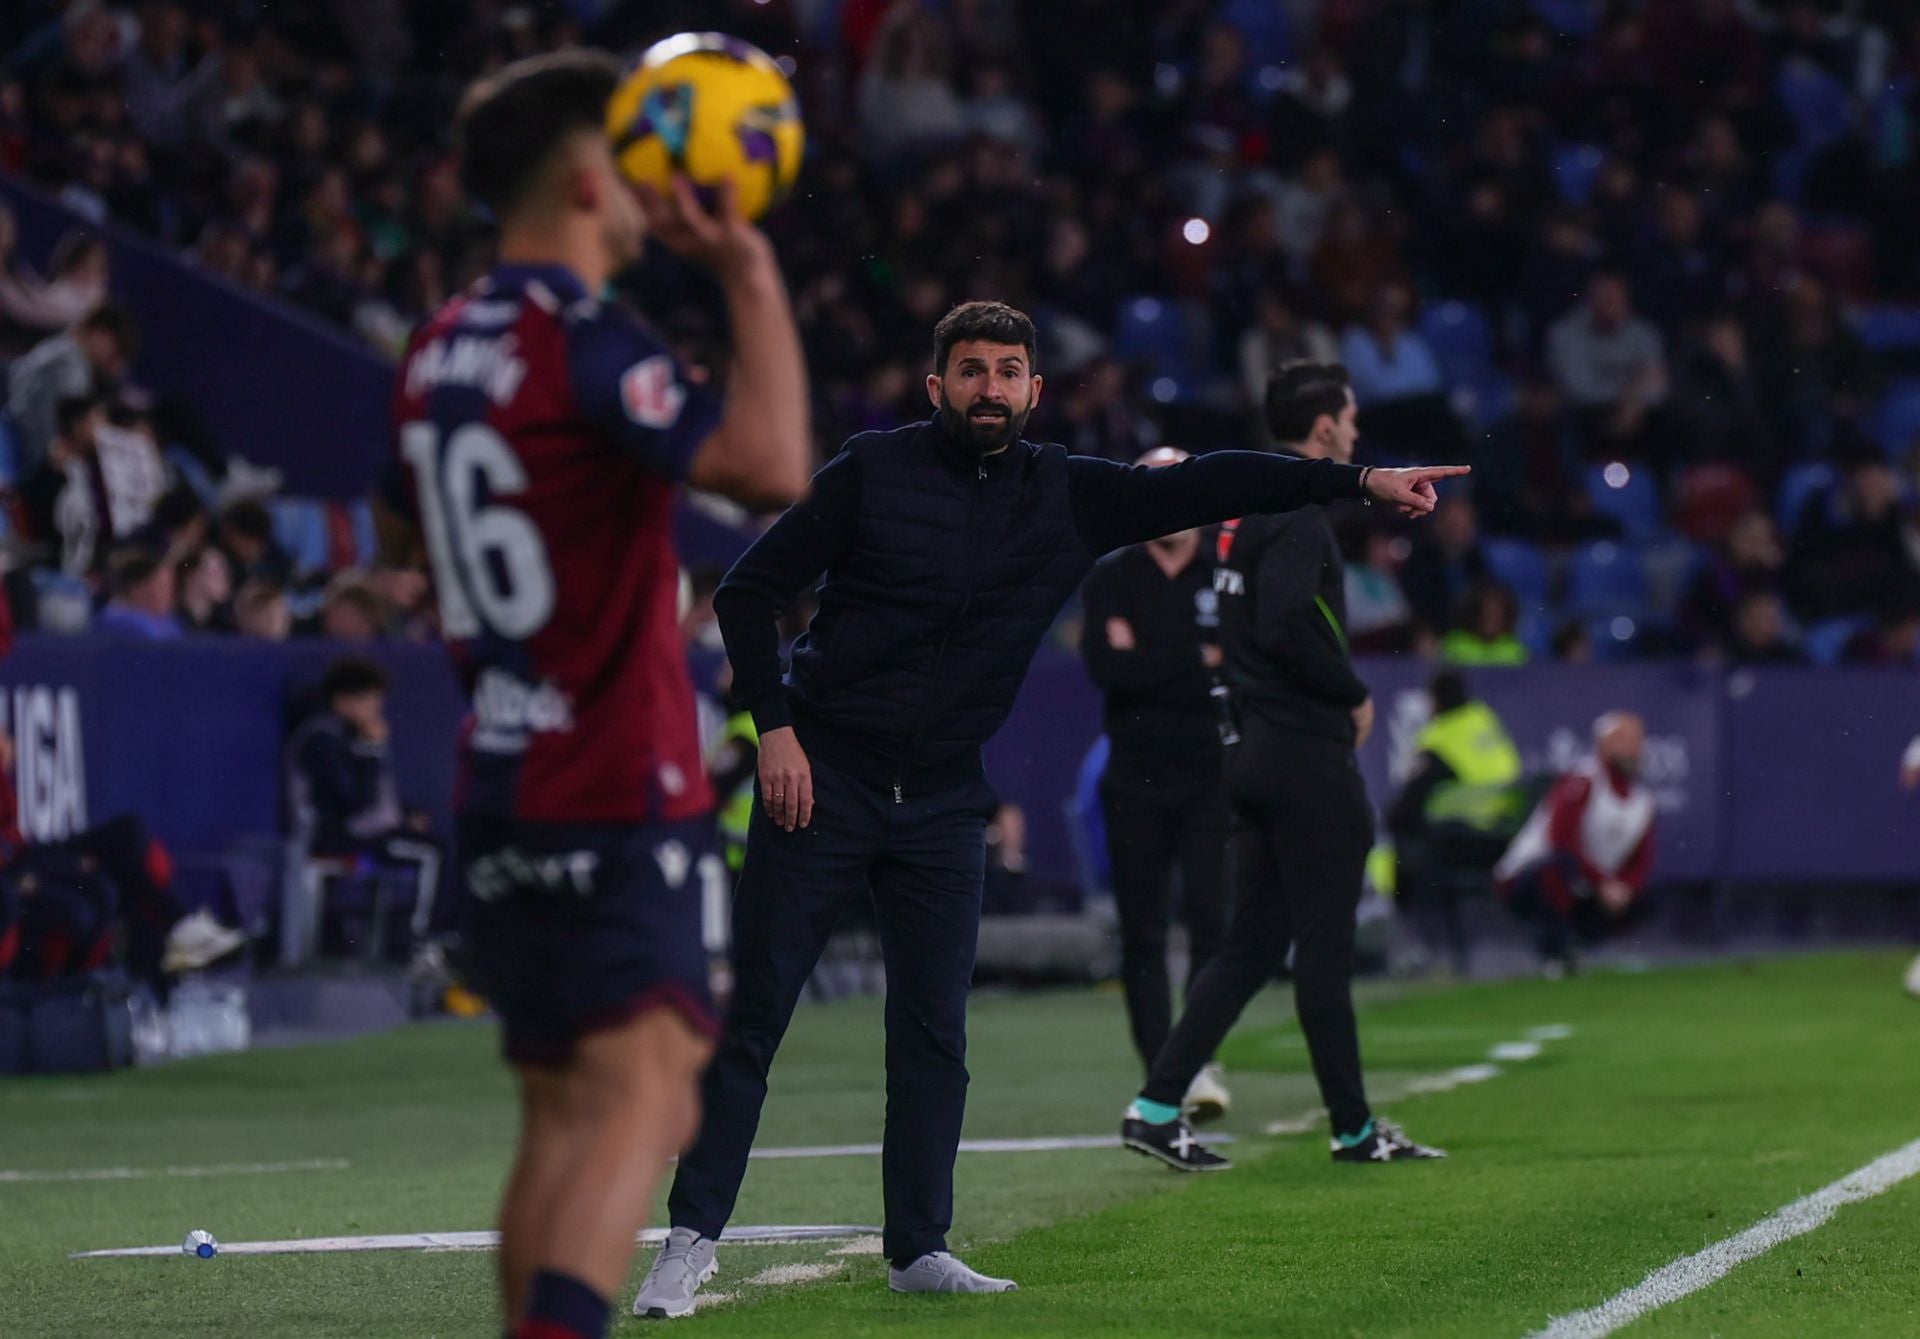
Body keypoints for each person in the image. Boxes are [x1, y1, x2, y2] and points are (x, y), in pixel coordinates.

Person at [639, 315, 1464, 1311]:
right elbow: (748, 589)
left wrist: (1359, 481)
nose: (992, 387)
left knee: (936, 1030)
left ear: (1035, 392)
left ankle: (918, 1247)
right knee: (758, 1016)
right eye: (973, 370)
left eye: (1010, 372)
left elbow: (1212, 481)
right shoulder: (872, 472)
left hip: (944, 796)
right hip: (826, 780)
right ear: (935, 384)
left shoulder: (1070, 492)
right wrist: (773, 729)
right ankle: (689, 1238)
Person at [382, 51, 809, 1339]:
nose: (644, 187)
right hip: (611, 777)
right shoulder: (583, 338)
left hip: (502, 772)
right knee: (648, 1093)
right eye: (626, 159)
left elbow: (406, 543)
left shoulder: (440, 343)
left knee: (562, 1107)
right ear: (582, 175)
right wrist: (745, 269)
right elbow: (773, 464)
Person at [1120, 361, 1447, 1174]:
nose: (1358, 428)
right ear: (1327, 426)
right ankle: (1354, 1128)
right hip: (1304, 750)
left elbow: (1249, 626)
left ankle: (1156, 1106)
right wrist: (1352, 691)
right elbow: (1290, 619)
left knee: (1249, 949)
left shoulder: (1244, 515)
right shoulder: (1300, 510)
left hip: (1253, 750)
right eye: (1351, 416)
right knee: (1323, 953)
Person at [1078, 445, 1231, 1116]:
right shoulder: (1113, 573)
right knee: (1141, 930)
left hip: (1208, 772)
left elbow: (1237, 664)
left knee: (1212, 923)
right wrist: (1195, 658)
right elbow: (1108, 670)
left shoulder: (1222, 573)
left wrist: (1150, 655)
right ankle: (1161, 1072)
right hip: (1135, 775)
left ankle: (1196, 1059)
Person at [284, 657, 446, 948]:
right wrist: (372, 750)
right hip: (336, 837)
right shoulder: (320, 738)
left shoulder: (347, 735)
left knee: (431, 843)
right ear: (344, 701)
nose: (377, 711)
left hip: (364, 833)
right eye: (370, 702)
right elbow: (353, 801)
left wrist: (405, 815)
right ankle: (422, 942)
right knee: (431, 854)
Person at [1494, 711, 1657, 975]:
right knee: (1555, 870)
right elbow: (1561, 842)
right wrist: (1602, 882)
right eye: (1627, 740)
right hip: (1526, 879)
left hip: (1589, 885)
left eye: (1639, 740)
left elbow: (1642, 861)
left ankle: (1579, 946)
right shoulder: (1582, 781)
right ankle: (1553, 952)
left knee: (1648, 895)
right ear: (1605, 745)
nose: (1636, 748)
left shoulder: (1643, 801)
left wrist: (1623, 887)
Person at [1385, 669, 1525, 975]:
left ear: (1434, 701)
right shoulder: (1484, 720)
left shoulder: (1442, 739)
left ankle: (1415, 944)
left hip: (1464, 841)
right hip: (1507, 834)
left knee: (1402, 846)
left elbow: (1403, 808)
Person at [95, 547, 183, 640]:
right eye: (162, 586)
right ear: (138, 588)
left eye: (170, 586)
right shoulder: (121, 622)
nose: (170, 592)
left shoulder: (168, 620)